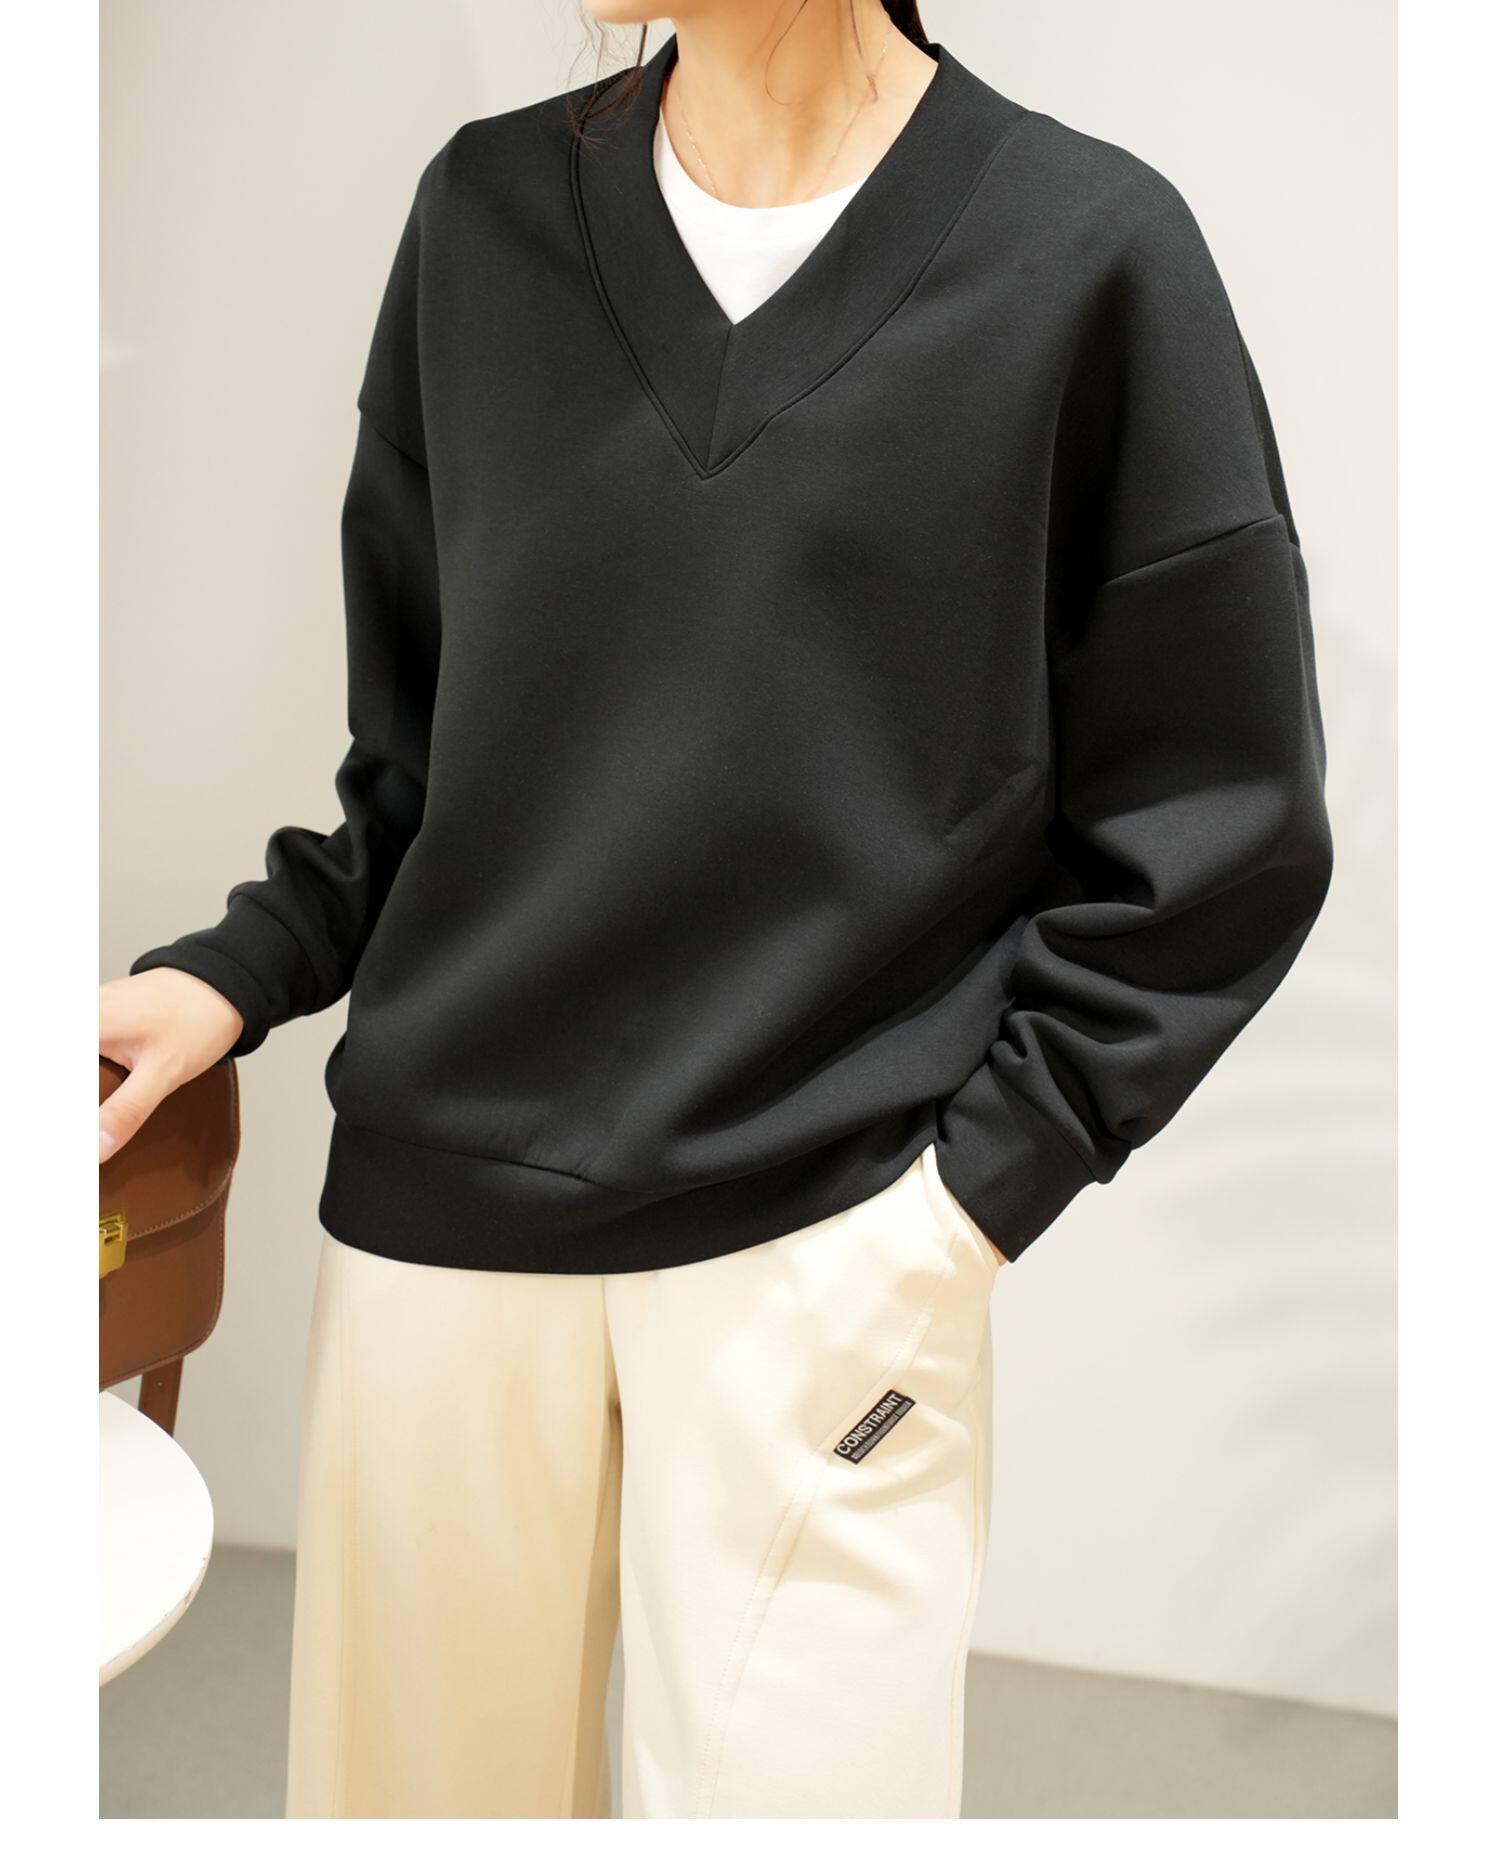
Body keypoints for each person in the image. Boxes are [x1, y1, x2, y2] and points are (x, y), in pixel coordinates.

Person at [98, 0, 1334, 1821]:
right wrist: (241, 966)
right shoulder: (483, 218)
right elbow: (424, 763)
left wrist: (967, 1203)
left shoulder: (1087, 254)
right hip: (440, 1244)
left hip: (831, 1242)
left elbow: (1222, 828)